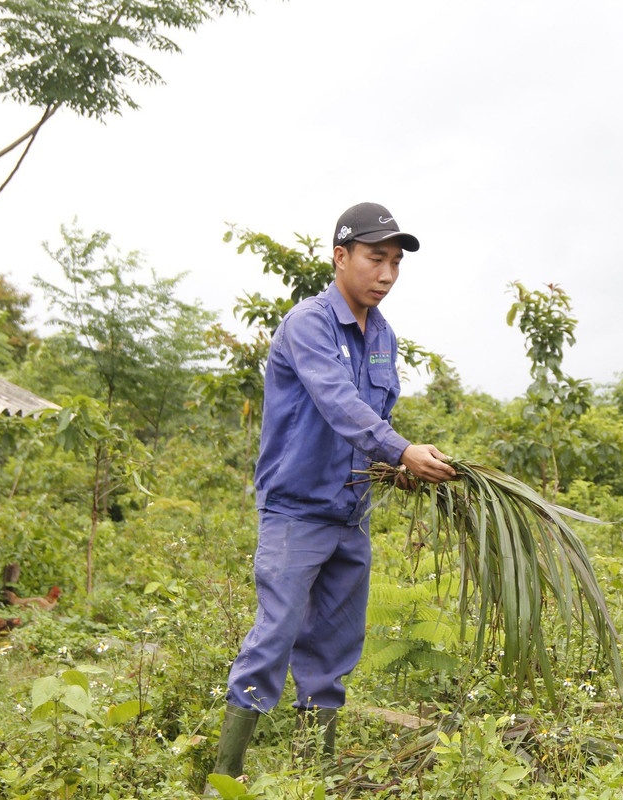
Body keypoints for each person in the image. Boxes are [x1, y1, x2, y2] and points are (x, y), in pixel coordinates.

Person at [207, 202, 456, 787]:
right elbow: (337, 402)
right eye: (376, 259)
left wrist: (400, 466)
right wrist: (400, 450)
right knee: (277, 632)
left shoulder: (384, 336)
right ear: (341, 257)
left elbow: (373, 416)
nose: (388, 274)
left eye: (396, 262)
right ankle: (225, 778)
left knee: (335, 647)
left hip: (351, 513)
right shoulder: (308, 324)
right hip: (296, 510)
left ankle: (313, 774)